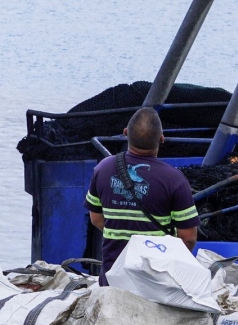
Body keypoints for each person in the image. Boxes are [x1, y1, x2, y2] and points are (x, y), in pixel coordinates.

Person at [84, 107, 200, 286]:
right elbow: (189, 237)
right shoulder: (174, 179)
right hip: (155, 285)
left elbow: (96, 218)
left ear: (125, 133)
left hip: (111, 282)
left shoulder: (103, 168)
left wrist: (127, 238)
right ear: (161, 139)